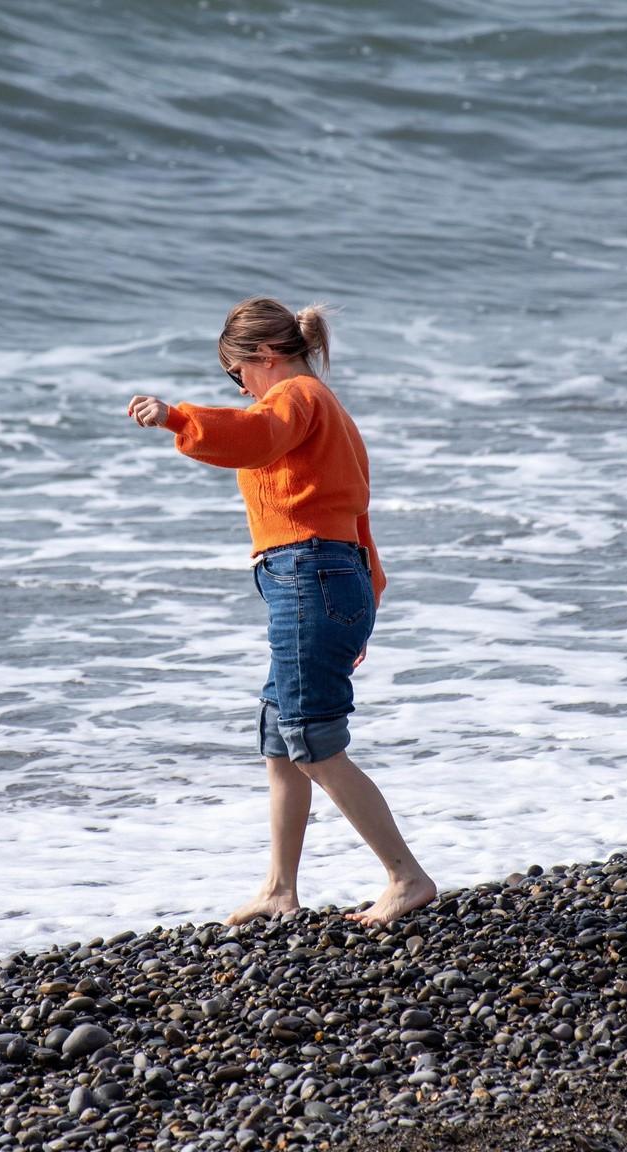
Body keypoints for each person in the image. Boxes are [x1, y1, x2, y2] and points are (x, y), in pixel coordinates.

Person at [126, 297, 437, 927]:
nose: (241, 390)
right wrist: (365, 594)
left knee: (312, 741)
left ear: (265, 355)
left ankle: (407, 877)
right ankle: (279, 888)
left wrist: (177, 417)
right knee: (280, 739)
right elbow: (356, 513)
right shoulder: (324, 408)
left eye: (237, 375)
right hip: (325, 578)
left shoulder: (296, 397)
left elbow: (255, 437)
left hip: (312, 576)